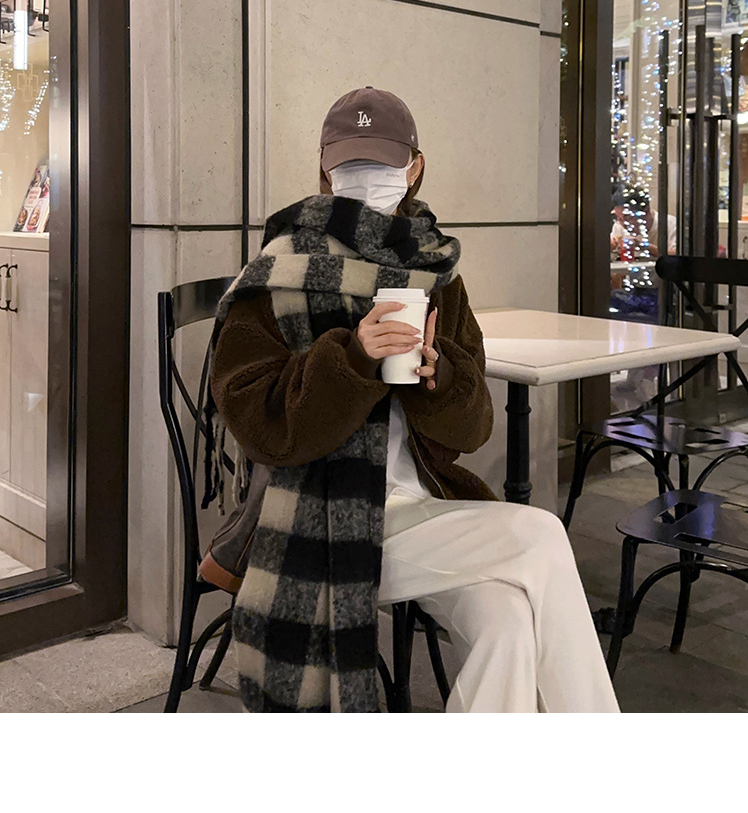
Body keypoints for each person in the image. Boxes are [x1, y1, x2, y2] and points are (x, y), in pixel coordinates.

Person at [203, 86, 619, 713]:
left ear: (415, 167)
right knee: (540, 535)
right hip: (320, 523)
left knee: (507, 622)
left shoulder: (436, 273)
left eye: (382, 163)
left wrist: (438, 375)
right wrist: (352, 359)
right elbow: (257, 425)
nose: (366, 177)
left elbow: (473, 428)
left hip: (427, 506)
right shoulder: (278, 271)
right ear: (325, 170)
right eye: (350, 163)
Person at [610, 183, 677, 258]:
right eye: (619, 218)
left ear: (646, 211)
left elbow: (677, 257)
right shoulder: (619, 225)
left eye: (628, 217)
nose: (624, 224)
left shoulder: (670, 225)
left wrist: (645, 246)